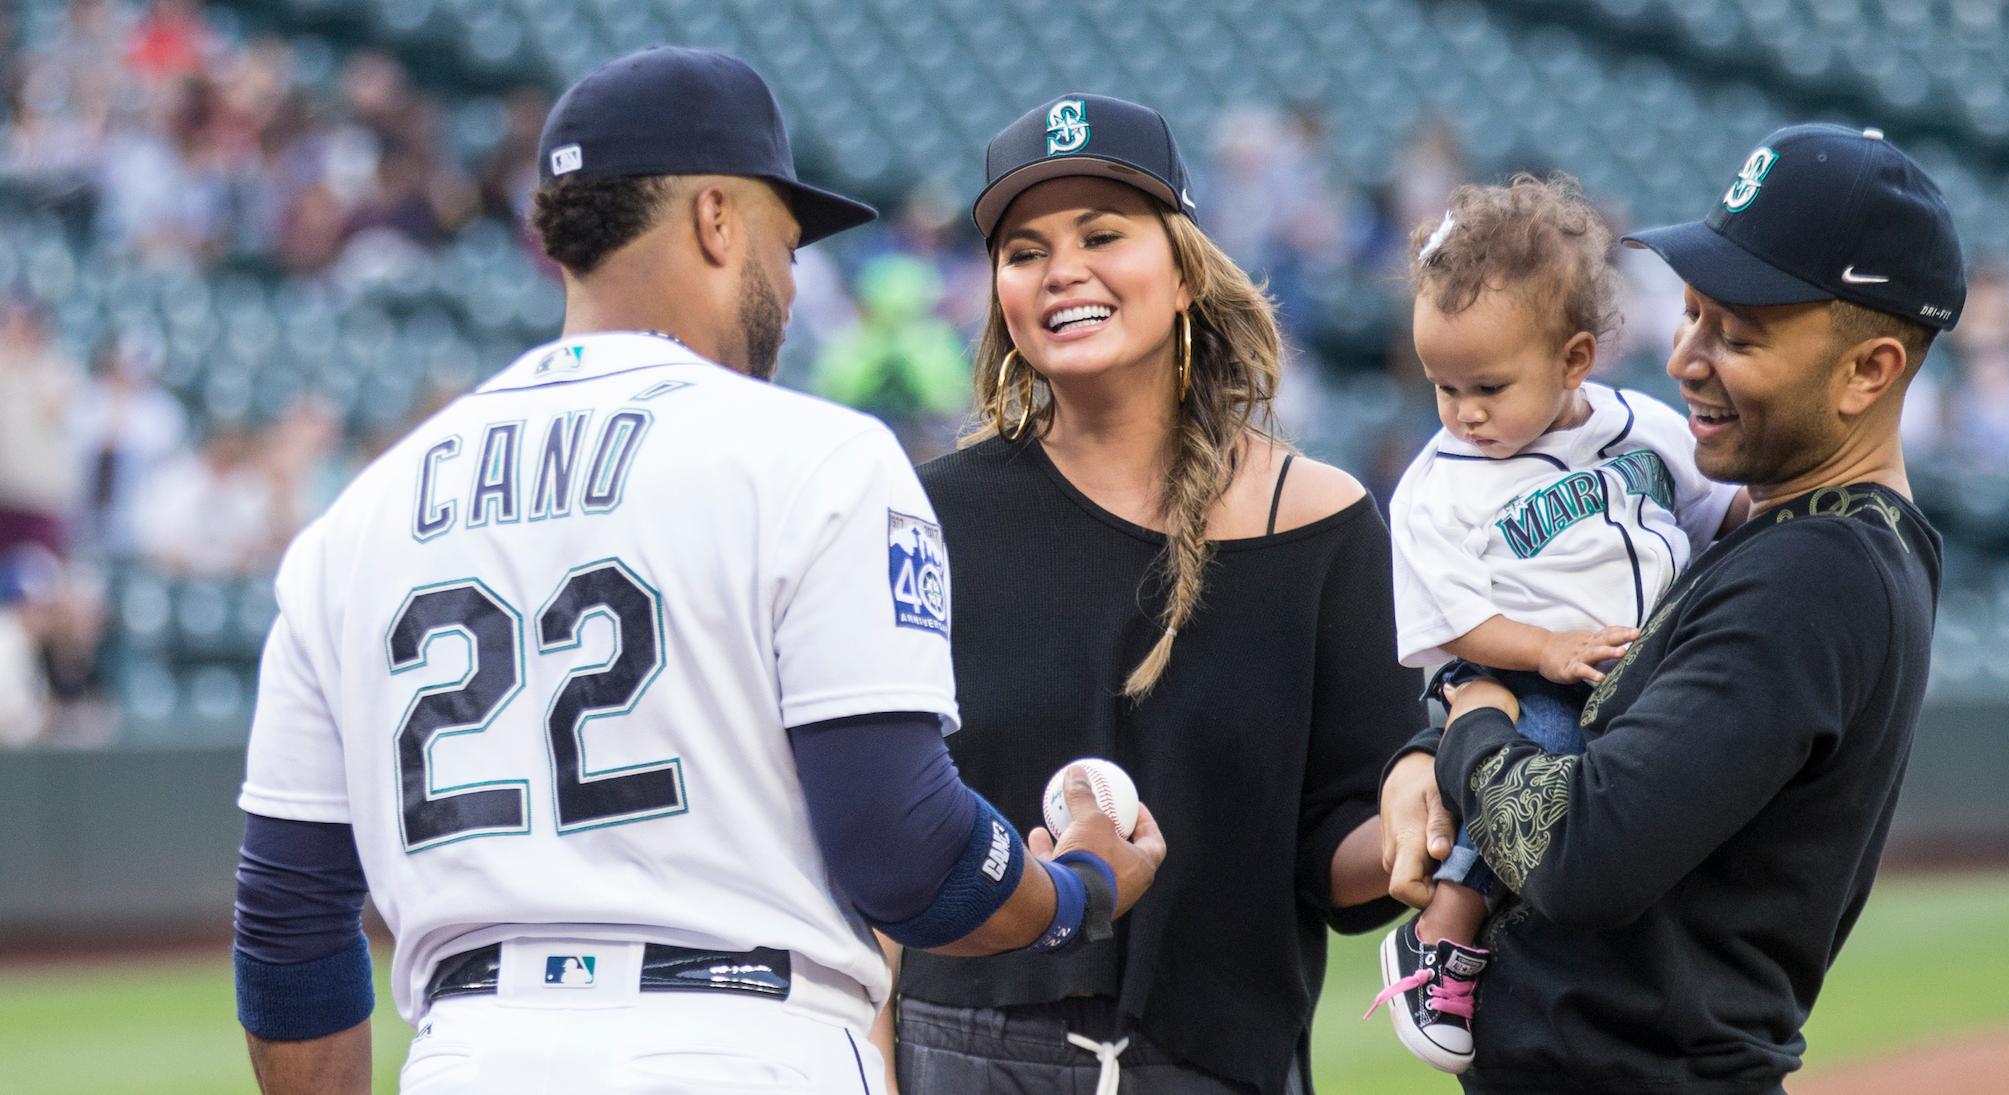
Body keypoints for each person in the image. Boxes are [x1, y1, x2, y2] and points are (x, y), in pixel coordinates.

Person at [229, 49, 1165, 1095]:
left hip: (467, 1051)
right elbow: (906, 853)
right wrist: (1079, 886)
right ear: (716, 218)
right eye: (786, 235)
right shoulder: (814, 457)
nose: (795, 273)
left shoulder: (356, 518)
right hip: (740, 1043)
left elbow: (287, 922)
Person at [1379, 123, 1960, 1093]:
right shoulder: (1785, 536)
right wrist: (1424, 745)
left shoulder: (1817, 573)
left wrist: (1471, 721)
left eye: (1739, 334)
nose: (1688, 357)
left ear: (1870, 369)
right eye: (1691, 316)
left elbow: (1579, 853)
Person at [887, 93, 1423, 1095]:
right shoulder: (928, 515)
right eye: (1025, 250)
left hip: (1217, 1064)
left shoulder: (1325, 525)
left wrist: (1435, 821)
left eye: (1102, 234)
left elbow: (1342, 857)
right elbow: (887, 836)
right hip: (960, 1056)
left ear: (1183, 271)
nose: (1063, 272)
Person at [1366, 175, 1743, 1073]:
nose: (1462, 410)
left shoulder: (1640, 424)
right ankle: (1443, 932)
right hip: (1524, 673)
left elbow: (1714, 511)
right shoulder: (1438, 483)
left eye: (1487, 385)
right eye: (1442, 385)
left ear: (1575, 360)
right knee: (1545, 761)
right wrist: (1543, 649)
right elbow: (1455, 623)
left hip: (1636, 664)